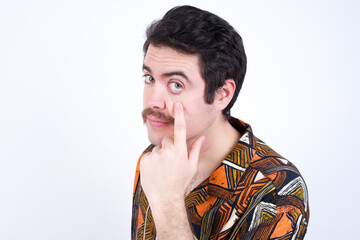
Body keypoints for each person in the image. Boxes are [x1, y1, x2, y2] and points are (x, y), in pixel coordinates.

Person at [131, 5, 309, 240]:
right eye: (149, 78)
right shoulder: (157, 159)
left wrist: (168, 204)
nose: (153, 100)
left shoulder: (277, 192)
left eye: (176, 84)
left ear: (222, 94)